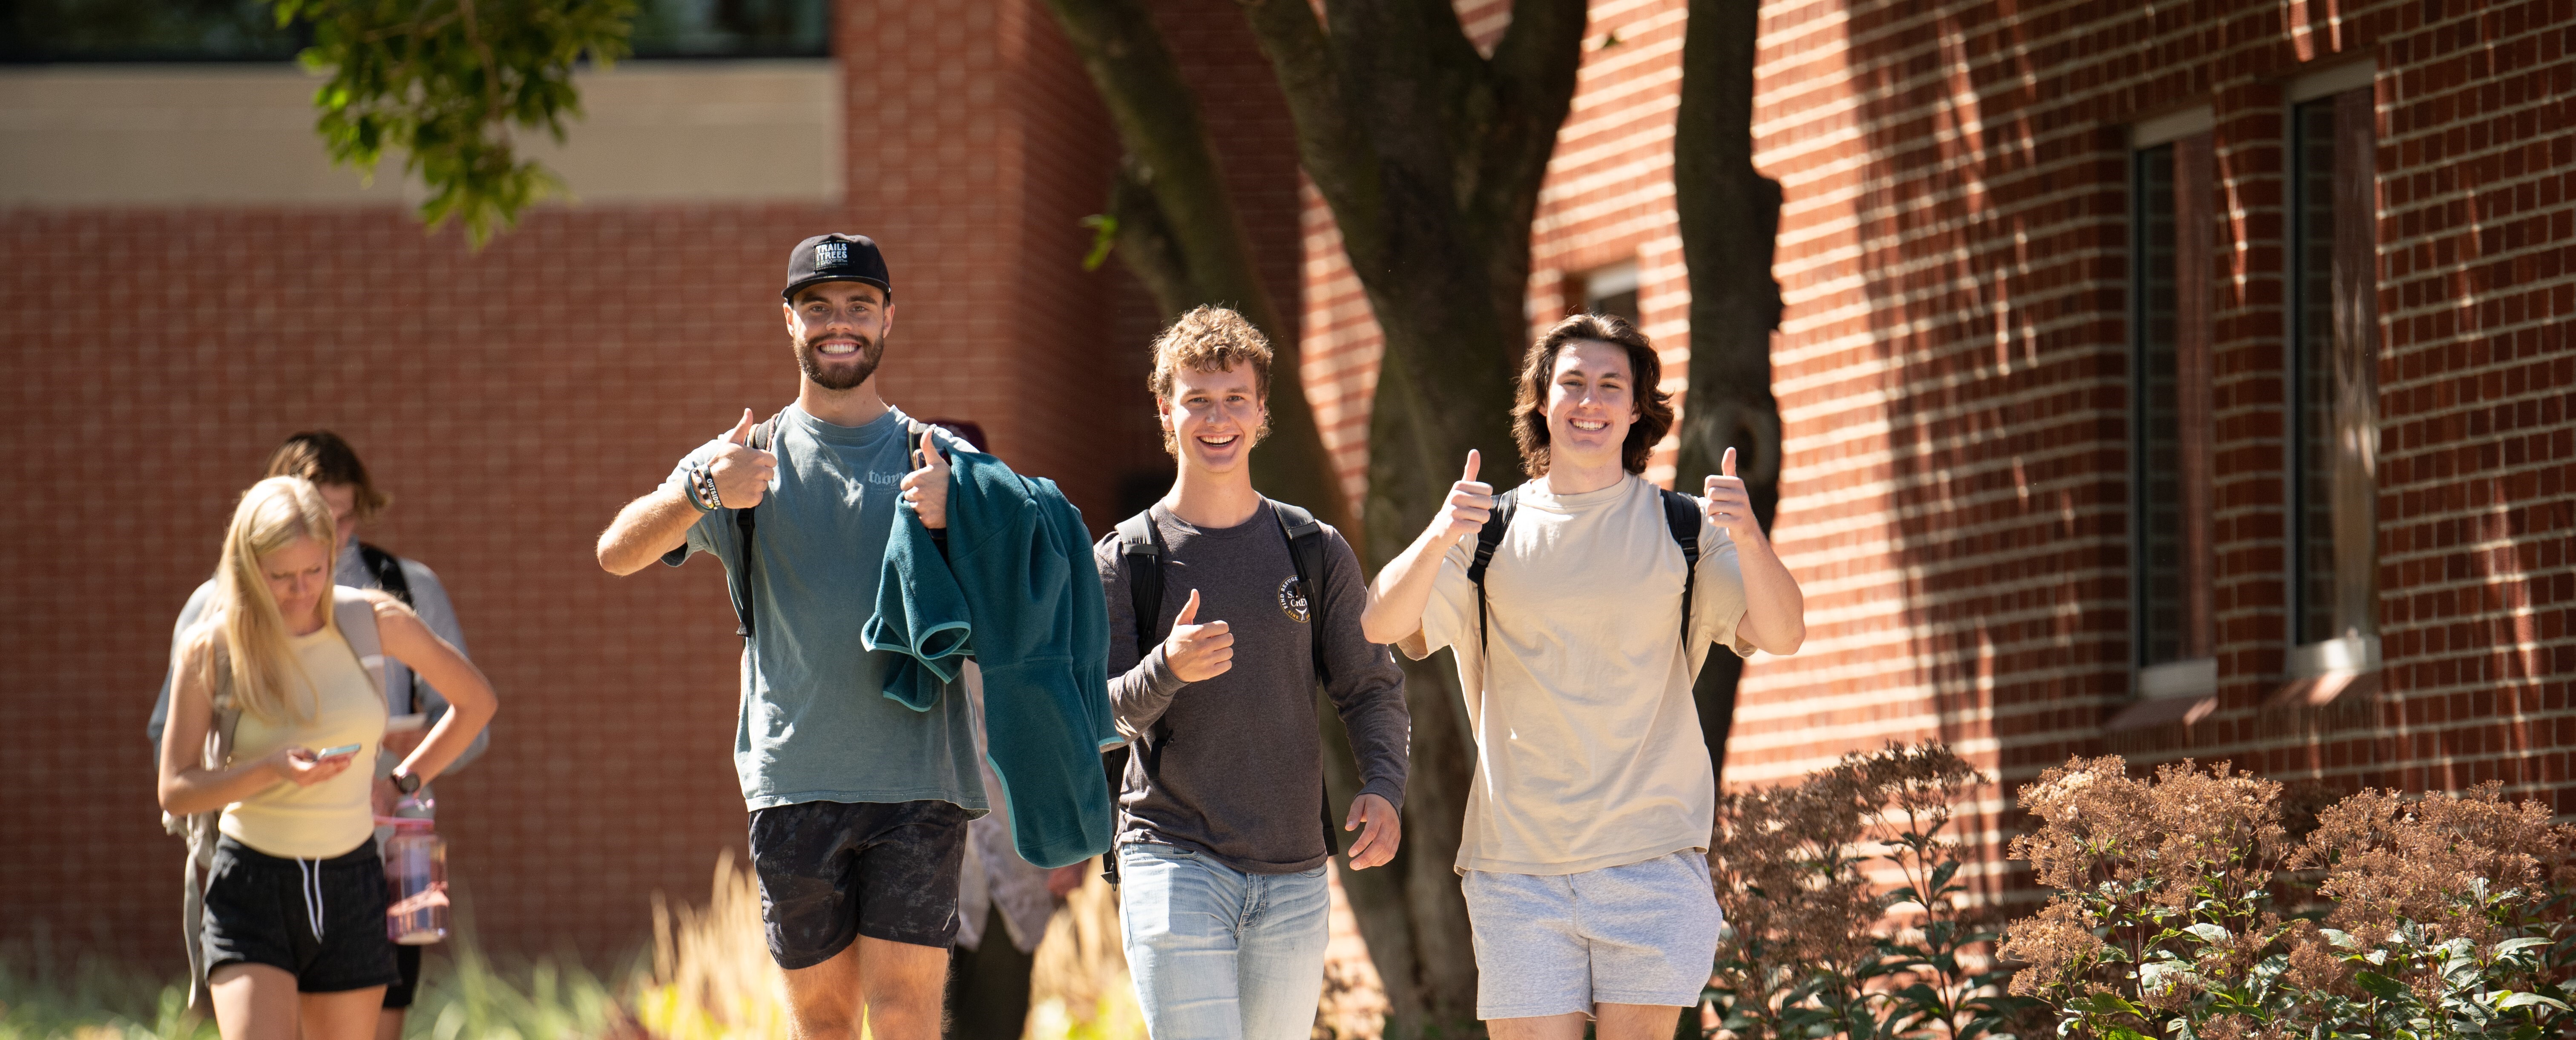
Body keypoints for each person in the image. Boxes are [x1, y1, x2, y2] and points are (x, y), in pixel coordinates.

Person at [1360, 313, 1807, 1040]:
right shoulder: (1488, 531)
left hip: (1651, 859)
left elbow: (1785, 631)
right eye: (1572, 383)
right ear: (1542, 399)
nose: (1590, 401)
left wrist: (1750, 536)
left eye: (1610, 385)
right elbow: (1379, 621)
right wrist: (1442, 530)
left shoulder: (1686, 527)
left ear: (1638, 408)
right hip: (1519, 868)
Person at [595, 234, 984, 1040]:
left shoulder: (944, 459)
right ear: (789, 321)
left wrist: (962, 517)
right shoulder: (742, 458)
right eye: (817, 308)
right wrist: (703, 487)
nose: (838, 324)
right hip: (794, 781)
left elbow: (1022, 598)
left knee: (908, 1015)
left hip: (919, 782)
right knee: (824, 1021)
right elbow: (617, 551)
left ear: (887, 319)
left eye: (858, 307)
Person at [1095, 306, 1411, 1040]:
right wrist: (1166, 670)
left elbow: (1370, 685)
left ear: (1263, 412)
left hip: (1295, 873)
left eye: (1236, 399)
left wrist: (1385, 787)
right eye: (1198, 399)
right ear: (1164, 406)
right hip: (1171, 856)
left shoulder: (1313, 548)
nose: (1217, 418)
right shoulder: (1125, 559)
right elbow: (1093, 718)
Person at [146, 431, 488, 1040]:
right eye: (282, 576)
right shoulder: (211, 643)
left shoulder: (379, 612)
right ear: (248, 564)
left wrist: (403, 781)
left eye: (316, 569)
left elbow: (476, 703)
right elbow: (174, 789)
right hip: (250, 881)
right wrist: (271, 768)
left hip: (362, 873)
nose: (303, 592)